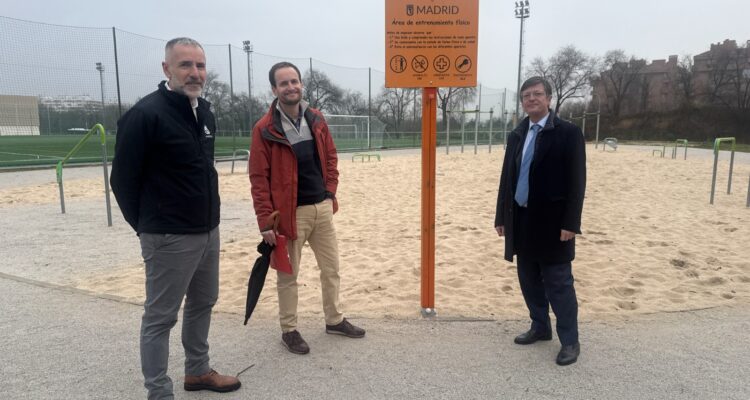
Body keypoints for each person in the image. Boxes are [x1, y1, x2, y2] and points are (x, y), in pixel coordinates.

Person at [110, 37, 240, 399]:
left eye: (200, 65)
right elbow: (122, 180)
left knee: (203, 302)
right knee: (160, 317)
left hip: (207, 231)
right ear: (167, 69)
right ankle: (159, 391)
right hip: (168, 235)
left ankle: (197, 372)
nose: (194, 72)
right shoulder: (146, 115)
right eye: (185, 65)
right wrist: (148, 227)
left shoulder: (205, 112)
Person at [249, 61, 365, 355]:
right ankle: (289, 330)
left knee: (332, 269)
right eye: (284, 83)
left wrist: (330, 192)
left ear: (301, 84)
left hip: (322, 208)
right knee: (289, 275)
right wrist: (266, 222)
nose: (291, 87)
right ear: (274, 90)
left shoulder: (316, 119)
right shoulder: (265, 129)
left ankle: (334, 319)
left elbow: (331, 158)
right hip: (290, 215)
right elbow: (258, 178)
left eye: (294, 81)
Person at [494, 76, 586, 366]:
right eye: (526, 96)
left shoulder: (568, 133)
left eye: (537, 94)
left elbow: (577, 182)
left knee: (559, 283)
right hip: (521, 219)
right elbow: (506, 179)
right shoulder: (518, 134)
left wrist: (571, 222)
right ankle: (540, 326)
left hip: (553, 222)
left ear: (549, 99)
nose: (531, 99)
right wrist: (501, 216)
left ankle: (570, 340)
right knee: (529, 279)